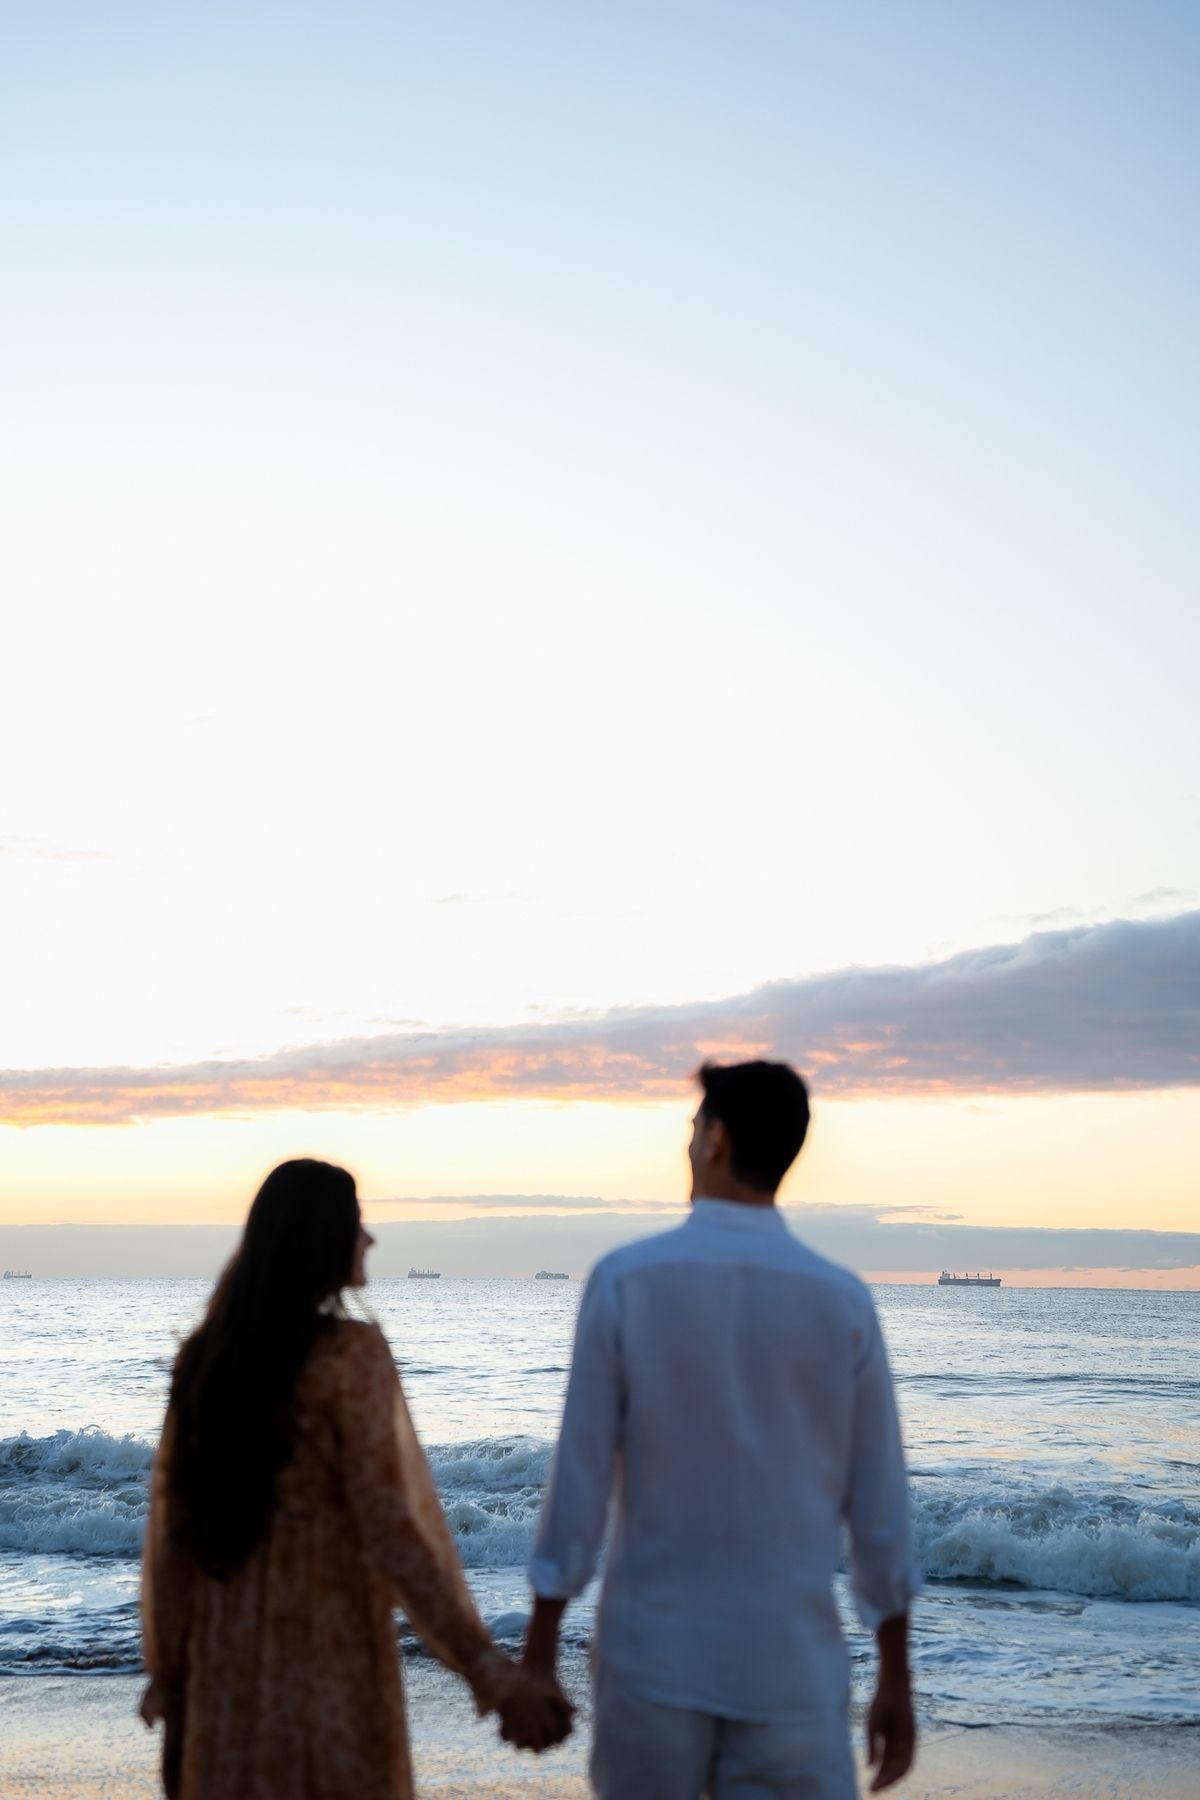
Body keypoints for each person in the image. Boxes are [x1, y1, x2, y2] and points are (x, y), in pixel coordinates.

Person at [522, 1061, 917, 1799]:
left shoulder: (627, 1280)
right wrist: (895, 1676)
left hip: (652, 1662)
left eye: (693, 1127)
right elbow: (880, 1507)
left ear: (716, 1141)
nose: (688, 1145)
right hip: (790, 1669)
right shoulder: (842, 1300)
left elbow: (579, 1476)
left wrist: (540, 1652)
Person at [140, 1158, 572, 1800]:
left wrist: (172, 1678)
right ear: (321, 1239)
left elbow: (174, 1535)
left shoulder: (205, 1360)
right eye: (357, 1222)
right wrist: (490, 1673)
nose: (369, 1238)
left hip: (223, 1670)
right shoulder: (351, 1356)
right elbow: (390, 1529)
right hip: (328, 1659)